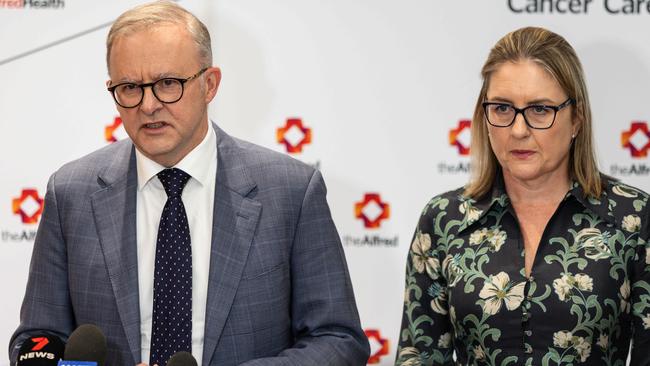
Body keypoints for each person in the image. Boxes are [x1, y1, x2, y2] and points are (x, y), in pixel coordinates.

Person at [9, 2, 369, 365]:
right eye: (130, 87)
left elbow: (338, 340)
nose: (148, 105)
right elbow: (38, 337)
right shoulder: (71, 192)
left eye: (168, 84)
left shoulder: (292, 190)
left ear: (209, 84)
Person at [396, 27, 649, 365]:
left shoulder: (632, 217)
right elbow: (420, 355)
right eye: (502, 108)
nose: (518, 129)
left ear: (576, 118)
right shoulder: (444, 219)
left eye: (540, 110)